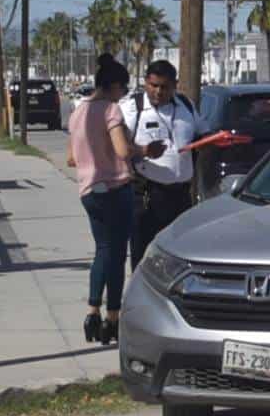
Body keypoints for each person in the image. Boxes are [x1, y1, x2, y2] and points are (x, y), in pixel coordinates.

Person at [66, 55, 139, 345]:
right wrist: (144, 150)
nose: (124, 95)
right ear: (115, 86)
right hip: (115, 189)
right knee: (118, 255)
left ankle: (91, 312)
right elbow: (123, 151)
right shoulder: (111, 110)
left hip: (88, 191)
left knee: (101, 251)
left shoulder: (77, 113)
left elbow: (71, 158)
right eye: (124, 88)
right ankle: (112, 318)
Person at [124, 59, 198, 270]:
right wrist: (143, 151)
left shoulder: (186, 105)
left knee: (180, 253)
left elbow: (202, 130)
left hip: (181, 195)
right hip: (148, 195)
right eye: (153, 85)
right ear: (146, 82)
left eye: (164, 87)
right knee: (144, 254)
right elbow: (116, 147)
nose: (158, 91)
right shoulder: (132, 108)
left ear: (174, 85)